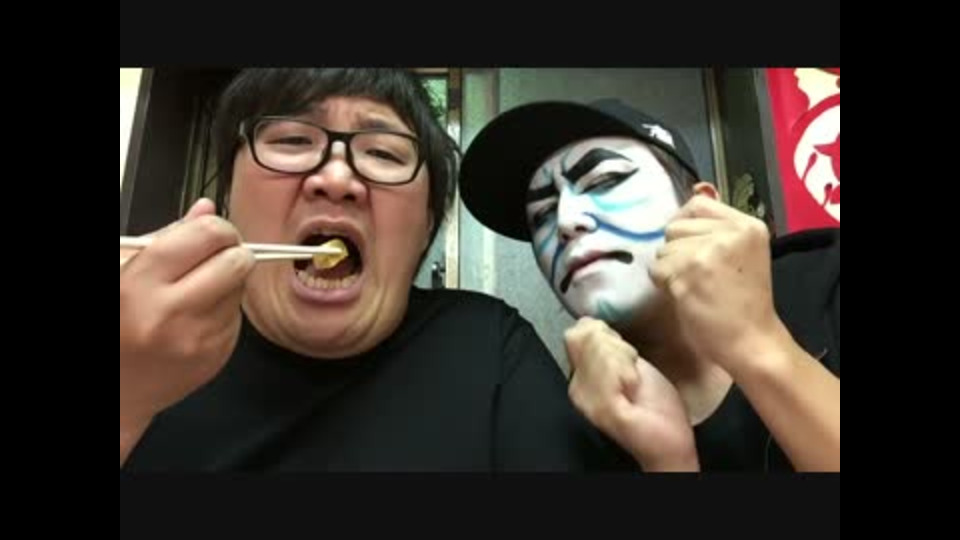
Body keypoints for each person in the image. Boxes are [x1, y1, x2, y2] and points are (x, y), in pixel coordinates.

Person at [119, 69, 639, 472]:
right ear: (228, 196)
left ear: (426, 224)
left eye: (384, 153)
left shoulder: (488, 346)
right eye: (292, 141)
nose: (336, 177)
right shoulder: (146, 346)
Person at [458, 98, 840, 471]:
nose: (565, 221)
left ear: (700, 207)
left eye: (604, 180)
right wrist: (668, 462)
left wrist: (758, 344)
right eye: (542, 214)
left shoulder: (826, 280)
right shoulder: (578, 428)